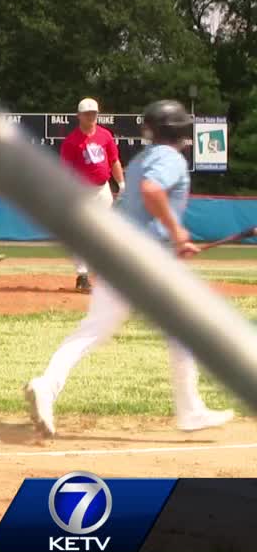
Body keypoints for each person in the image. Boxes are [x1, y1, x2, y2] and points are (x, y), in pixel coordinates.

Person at [23, 100, 233, 438]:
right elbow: (152, 191)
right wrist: (177, 232)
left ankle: (46, 386)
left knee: (91, 331)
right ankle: (190, 411)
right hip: (145, 260)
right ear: (177, 130)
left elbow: (140, 196)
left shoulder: (140, 161)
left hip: (118, 254)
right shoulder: (171, 159)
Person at [59, 97, 127, 292]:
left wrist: (121, 183)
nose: (91, 117)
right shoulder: (71, 141)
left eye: (94, 113)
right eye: (87, 114)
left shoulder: (105, 135)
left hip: (103, 188)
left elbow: (114, 161)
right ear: (79, 116)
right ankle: (82, 275)